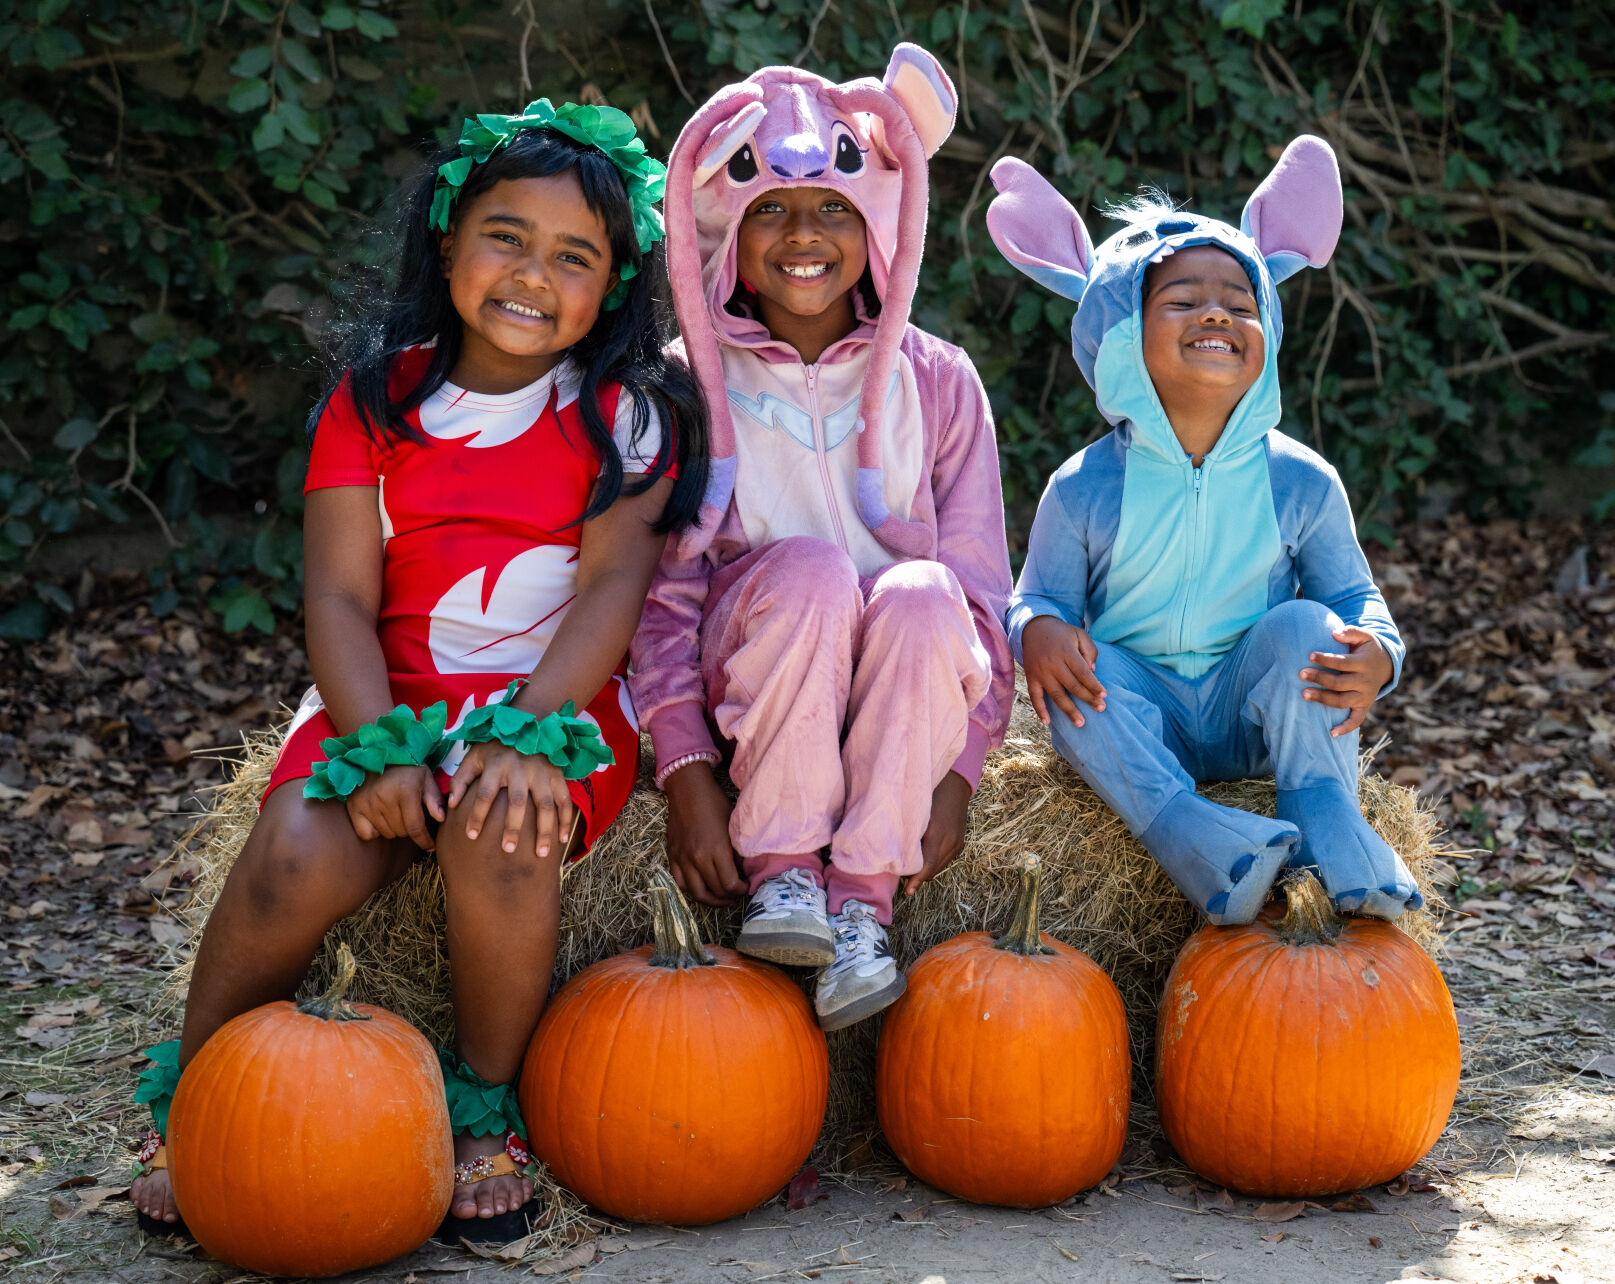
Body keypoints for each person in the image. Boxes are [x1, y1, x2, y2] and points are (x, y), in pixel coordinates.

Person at [129, 101, 708, 1242]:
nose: (531, 273)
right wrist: (376, 744)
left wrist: (519, 738)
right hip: (384, 698)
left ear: (613, 287)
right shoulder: (376, 400)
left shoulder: (627, 415)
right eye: (505, 235)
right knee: (294, 844)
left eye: (573, 256)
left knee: (504, 825)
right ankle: (197, 1096)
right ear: (447, 245)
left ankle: (483, 1106)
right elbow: (339, 598)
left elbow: (607, 597)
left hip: (554, 707)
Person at [631, 43, 1014, 1031]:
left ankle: (859, 908)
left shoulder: (939, 382)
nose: (803, 232)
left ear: (880, 224)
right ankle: (783, 876)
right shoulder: (681, 388)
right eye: (770, 208)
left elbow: (980, 594)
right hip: (753, 691)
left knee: (924, 589)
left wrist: (961, 774)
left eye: (833, 206)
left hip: (905, 685)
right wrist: (685, 776)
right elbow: (660, 603)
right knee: (803, 571)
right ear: (723, 229)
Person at [986, 136, 1421, 926]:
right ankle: (1190, 832)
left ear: (1268, 332)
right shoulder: (1084, 487)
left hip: (1253, 711)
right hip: (1140, 719)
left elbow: (1354, 596)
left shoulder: (1299, 479)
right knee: (1080, 688)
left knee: (1304, 626)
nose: (1216, 311)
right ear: (1120, 334)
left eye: (1239, 301)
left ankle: (1327, 817)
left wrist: (1377, 653)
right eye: (1182, 300)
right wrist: (1040, 630)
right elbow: (1037, 597)